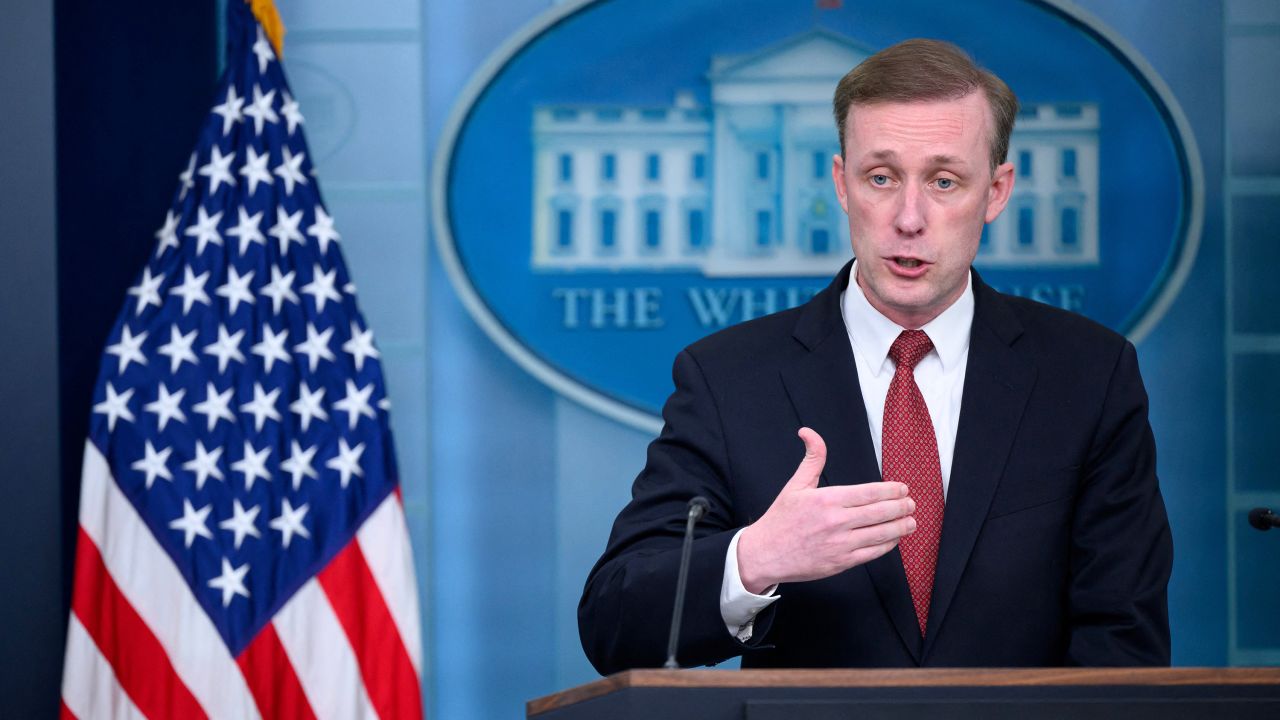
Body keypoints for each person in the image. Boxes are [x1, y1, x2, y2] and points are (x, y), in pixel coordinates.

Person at [578, 38, 1172, 674]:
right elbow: (615, 623)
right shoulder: (728, 378)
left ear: (996, 192)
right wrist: (754, 558)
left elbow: (1123, 638)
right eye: (881, 177)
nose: (908, 218)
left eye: (944, 181)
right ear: (842, 182)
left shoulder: (1088, 374)